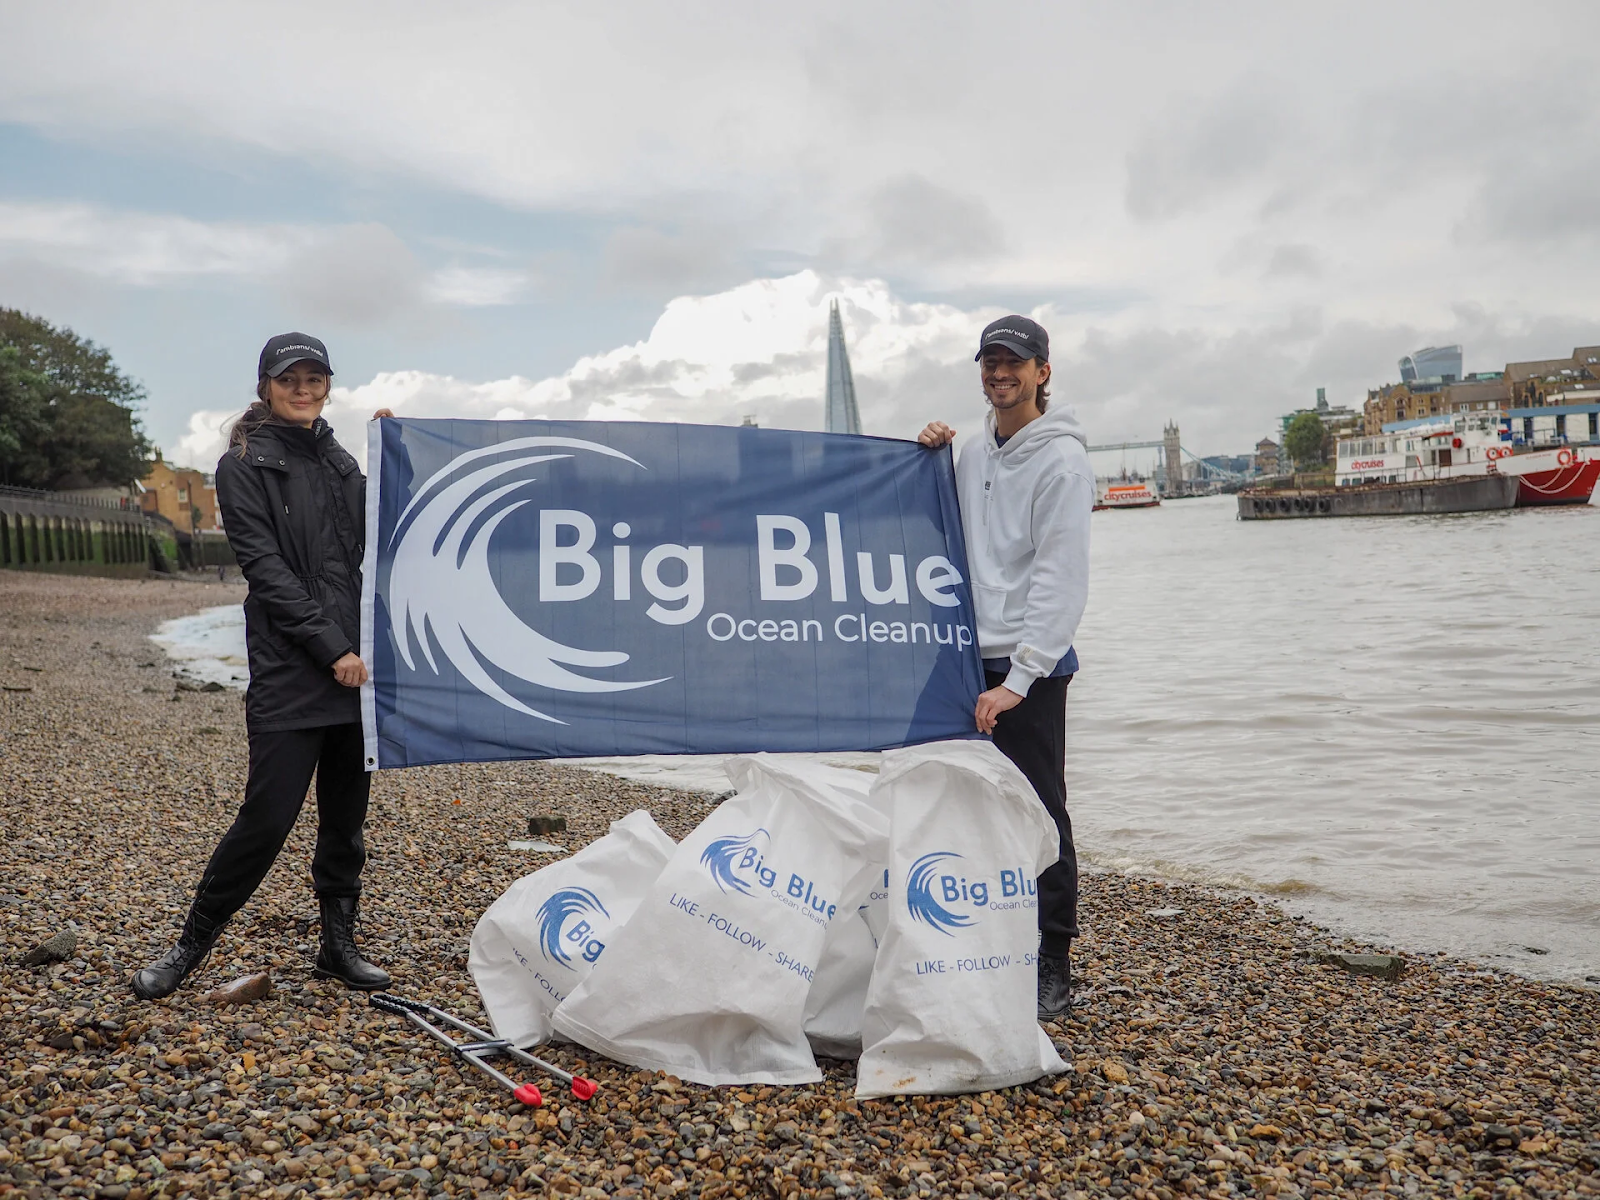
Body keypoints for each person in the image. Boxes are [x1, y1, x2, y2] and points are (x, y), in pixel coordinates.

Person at [132, 333, 393, 1000]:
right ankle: (190, 944)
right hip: (294, 666)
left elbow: (385, 526)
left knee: (346, 818)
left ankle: (338, 947)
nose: (303, 389)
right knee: (267, 817)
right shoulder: (242, 464)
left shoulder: (337, 461)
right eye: (290, 379)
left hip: (354, 666)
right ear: (266, 386)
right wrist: (328, 648)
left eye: (314, 377)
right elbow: (267, 573)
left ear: (327, 384)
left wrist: (398, 457)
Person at [918, 315, 1093, 1019]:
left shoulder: (1062, 461)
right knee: (965, 808)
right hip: (967, 656)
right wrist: (928, 453)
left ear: (1042, 372)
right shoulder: (972, 453)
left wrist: (1018, 681)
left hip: (1032, 668)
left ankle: (1054, 961)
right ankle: (985, 939)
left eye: (1014, 363)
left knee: (1039, 810)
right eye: (990, 362)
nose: (1000, 373)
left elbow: (1061, 579)